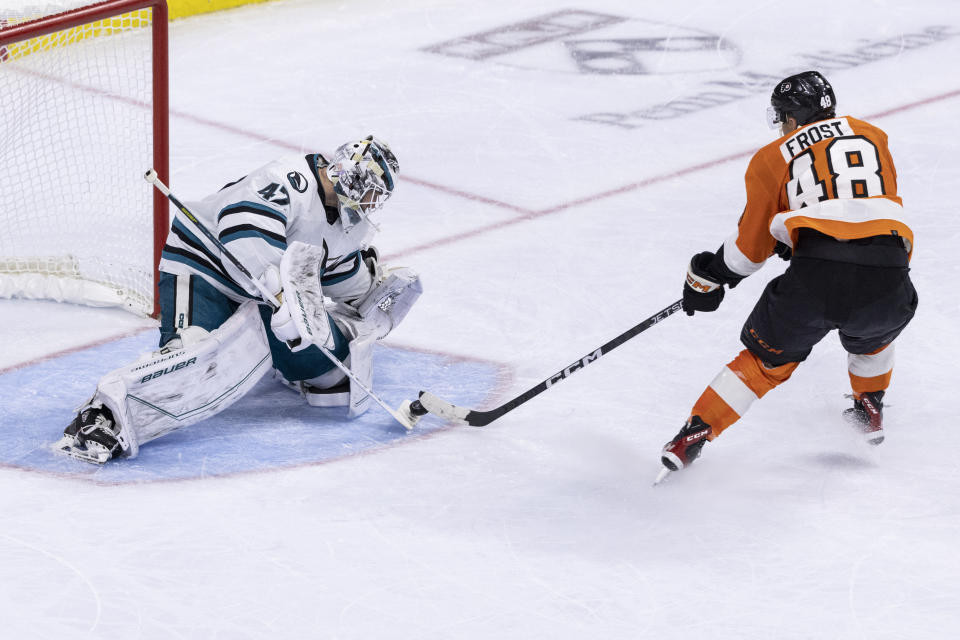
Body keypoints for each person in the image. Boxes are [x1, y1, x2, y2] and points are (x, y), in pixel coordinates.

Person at [54, 136, 423, 464]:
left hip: (264, 294)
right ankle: (103, 414)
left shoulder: (351, 221)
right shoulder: (289, 179)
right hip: (204, 268)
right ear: (353, 177)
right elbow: (242, 228)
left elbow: (339, 273)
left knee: (330, 374)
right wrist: (285, 299)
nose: (370, 204)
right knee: (191, 358)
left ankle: (282, 364)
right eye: (370, 192)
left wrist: (375, 293)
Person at [659, 71, 918, 477]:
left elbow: (748, 253)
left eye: (782, 117)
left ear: (793, 117)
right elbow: (868, 211)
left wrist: (708, 275)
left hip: (815, 277)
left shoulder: (772, 156)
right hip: (889, 272)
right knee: (874, 337)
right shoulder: (873, 135)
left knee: (764, 365)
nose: (781, 125)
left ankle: (694, 433)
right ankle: (869, 407)